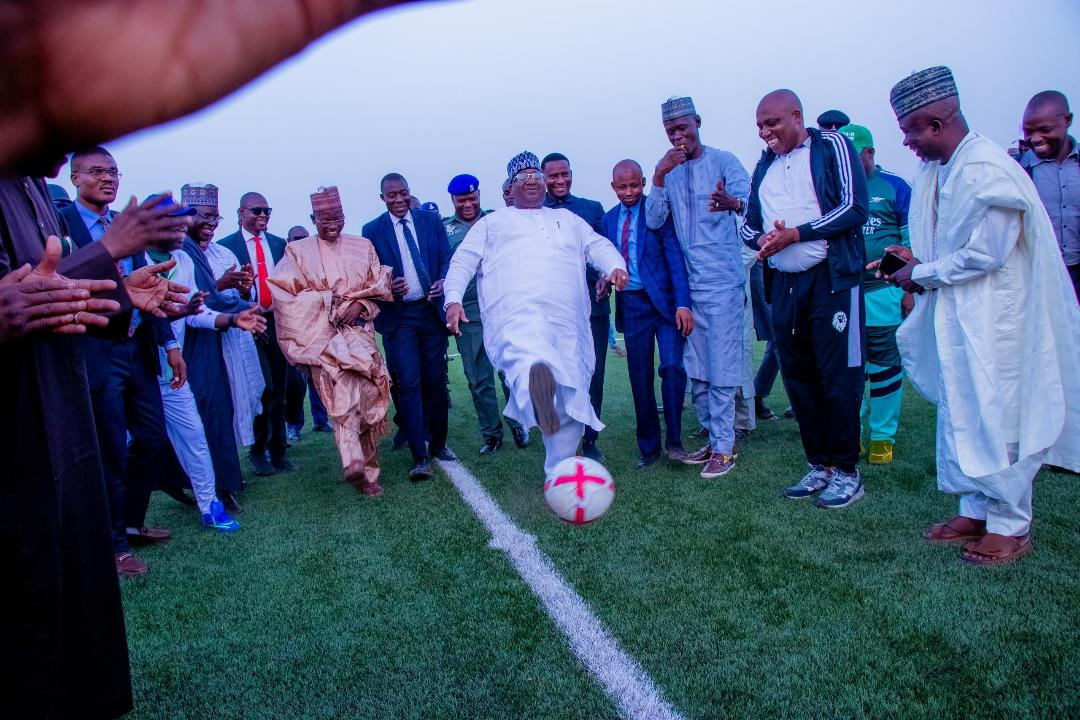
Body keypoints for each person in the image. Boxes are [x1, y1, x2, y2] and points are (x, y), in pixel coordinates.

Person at [2, 162, 188, 718]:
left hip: (62, 416)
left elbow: (43, 293)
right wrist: (111, 245)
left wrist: (125, 293)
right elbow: (20, 299)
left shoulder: (30, 183)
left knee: (75, 607)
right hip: (17, 448)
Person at [885, 66, 1080, 565]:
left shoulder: (987, 168)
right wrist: (912, 260)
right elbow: (946, 243)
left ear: (934, 123)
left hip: (996, 318)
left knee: (997, 415)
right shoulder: (939, 170)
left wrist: (921, 273)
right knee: (960, 412)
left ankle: (1011, 525)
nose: (905, 141)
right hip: (955, 313)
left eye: (909, 130)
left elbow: (986, 254)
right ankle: (975, 508)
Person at [444, 151, 627, 480]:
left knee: (571, 396)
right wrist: (453, 299)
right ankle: (537, 392)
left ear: (544, 184)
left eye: (535, 175)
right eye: (522, 177)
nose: (531, 180)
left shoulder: (568, 221)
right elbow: (462, 262)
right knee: (531, 360)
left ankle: (558, 473)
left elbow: (597, 245)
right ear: (509, 188)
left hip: (568, 324)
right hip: (518, 317)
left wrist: (615, 266)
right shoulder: (493, 224)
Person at [58, 147, 185, 575]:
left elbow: (152, 289)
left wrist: (169, 345)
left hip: (137, 347)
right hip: (95, 349)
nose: (108, 178)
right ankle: (112, 545)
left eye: (113, 171)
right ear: (75, 178)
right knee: (111, 447)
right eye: (97, 172)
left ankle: (130, 521)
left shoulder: (122, 227)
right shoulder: (63, 224)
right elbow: (59, 282)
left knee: (150, 438)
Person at [740, 89, 869, 507]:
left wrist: (796, 234)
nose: (765, 132)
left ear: (797, 116)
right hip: (786, 283)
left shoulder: (832, 145)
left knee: (838, 377)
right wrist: (765, 239)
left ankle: (848, 471)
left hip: (831, 279)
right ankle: (820, 465)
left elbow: (853, 207)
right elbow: (748, 226)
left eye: (772, 123)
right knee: (799, 377)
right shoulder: (766, 165)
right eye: (760, 125)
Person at [646, 96, 751, 479]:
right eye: (670, 130)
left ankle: (724, 448)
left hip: (722, 282)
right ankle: (713, 438)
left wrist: (734, 202)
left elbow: (752, 203)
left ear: (698, 123)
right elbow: (655, 222)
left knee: (721, 367)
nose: (678, 136)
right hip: (688, 291)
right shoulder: (669, 173)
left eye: (683, 128)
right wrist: (657, 178)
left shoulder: (724, 161)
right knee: (698, 369)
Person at [151, 194, 265, 531]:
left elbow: (194, 310)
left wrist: (234, 317)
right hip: (139, 361)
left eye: (183, 221)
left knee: (200, 431)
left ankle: (211, 501)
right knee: (139, 438)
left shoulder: (186, 259)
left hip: (181, 359)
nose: (184, 227)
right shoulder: (135, 258)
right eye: (178, 221)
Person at [271, 186, 394, 496]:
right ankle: (359, 468)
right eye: (325, 218)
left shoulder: (362, 246)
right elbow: (285, 296)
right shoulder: (297, 252)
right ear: (313, 218)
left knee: (367, 396)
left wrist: (360, 305)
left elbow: (380, 285)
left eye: (337, 217)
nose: (332, 223)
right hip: (322, 338)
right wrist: (328, 301)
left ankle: (364, 461)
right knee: (341, 400)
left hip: (360, 336)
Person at [601, 159, 692, 469]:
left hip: (665, 305)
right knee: (639, 378)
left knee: (672, 367)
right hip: (633, 305)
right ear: (613, 187)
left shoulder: (657, 212)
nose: (630, 192)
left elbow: (675, 257)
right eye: (623, 187)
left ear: (642, 182)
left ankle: (675, 441)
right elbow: (605, 259)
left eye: (635, 185)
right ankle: (649, 448)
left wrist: (682, 303)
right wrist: (604, 281)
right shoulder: (609, 219)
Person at [180, 183, 265, 515]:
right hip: (196, 345)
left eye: (215, 217)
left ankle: (224, 482)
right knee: (207, 415)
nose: (211, 223)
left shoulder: (221, 253)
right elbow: (196, 301)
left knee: (225, 411)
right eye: (203, 216)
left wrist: (243, 290)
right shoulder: (181, 252)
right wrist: (224, 289)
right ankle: (215, 487)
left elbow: (238, 298)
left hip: (228, 342)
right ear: (186, 216)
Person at [363, 173, 454, 480]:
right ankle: (420, 456)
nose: (399, 200)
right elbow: (370, 273)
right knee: (409, 385)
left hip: (430, 313)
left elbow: (446, 258)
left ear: (409, 192)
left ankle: (439, 444)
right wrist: (387, 284)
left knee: (436, 382)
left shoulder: (430, 220)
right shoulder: (372, 230)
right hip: (399, 318)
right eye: (392, 195)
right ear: (382, 198)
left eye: (403, 193)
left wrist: (442, 280)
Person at [840, 123, 913, 465]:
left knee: (885, 363)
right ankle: (849, 434)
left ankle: (883, 436)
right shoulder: (838, 189)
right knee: (849, 368)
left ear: (869, 153)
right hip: (843, 293)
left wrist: (910, 290)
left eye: (855, 158)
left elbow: (913, 243)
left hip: (884, 291)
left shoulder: (896, 187)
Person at [443, 173, 529, 454]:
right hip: (468, 313)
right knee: (478, 378)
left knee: (510, 370)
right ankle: (491, 434)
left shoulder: (497, 220)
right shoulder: (444, 230)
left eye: (472, 197)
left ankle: (518, 421)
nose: (468, 204)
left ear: (479, 195)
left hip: (501, 306)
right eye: (461, 199)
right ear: (453, 200)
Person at [219, 192, 295, 476]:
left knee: (280, 388)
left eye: (267, 211)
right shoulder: (227, 247)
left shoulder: (279, 244)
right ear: (241, 212)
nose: (262, 216)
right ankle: (257, 450)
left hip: (277, 321)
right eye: (256, 211)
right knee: (260, 388)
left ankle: (279, 450)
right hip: (246, 322)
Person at [542, 152, 610, 462]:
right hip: (551, 311)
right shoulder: (533, 212)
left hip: (592, 308)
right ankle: (559, 441)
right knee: (555, 376)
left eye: (564, 174)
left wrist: (605, 277)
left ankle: (590, 440)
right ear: (543, 179)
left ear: (571, 174)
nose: (559, 180)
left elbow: (603, 250)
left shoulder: (591, 209)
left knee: (591, 373)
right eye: (552, 176)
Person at [1019, 90, 1079, 303]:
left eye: (1045, 130)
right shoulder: (1020, 171)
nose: (1035, 139)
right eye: (1028, 132)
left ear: (1067, 120)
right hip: (1041, 276)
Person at [283, 224, 332, 439]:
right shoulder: (283, 265)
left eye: (304, 237)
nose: (301, 240)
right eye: (296, 237)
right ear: (288, 240)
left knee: (319, 377)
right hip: (293, 330)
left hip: (316, 329)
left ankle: (321, 420)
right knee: (294, 382)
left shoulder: (315, 263)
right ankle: (293, 425)